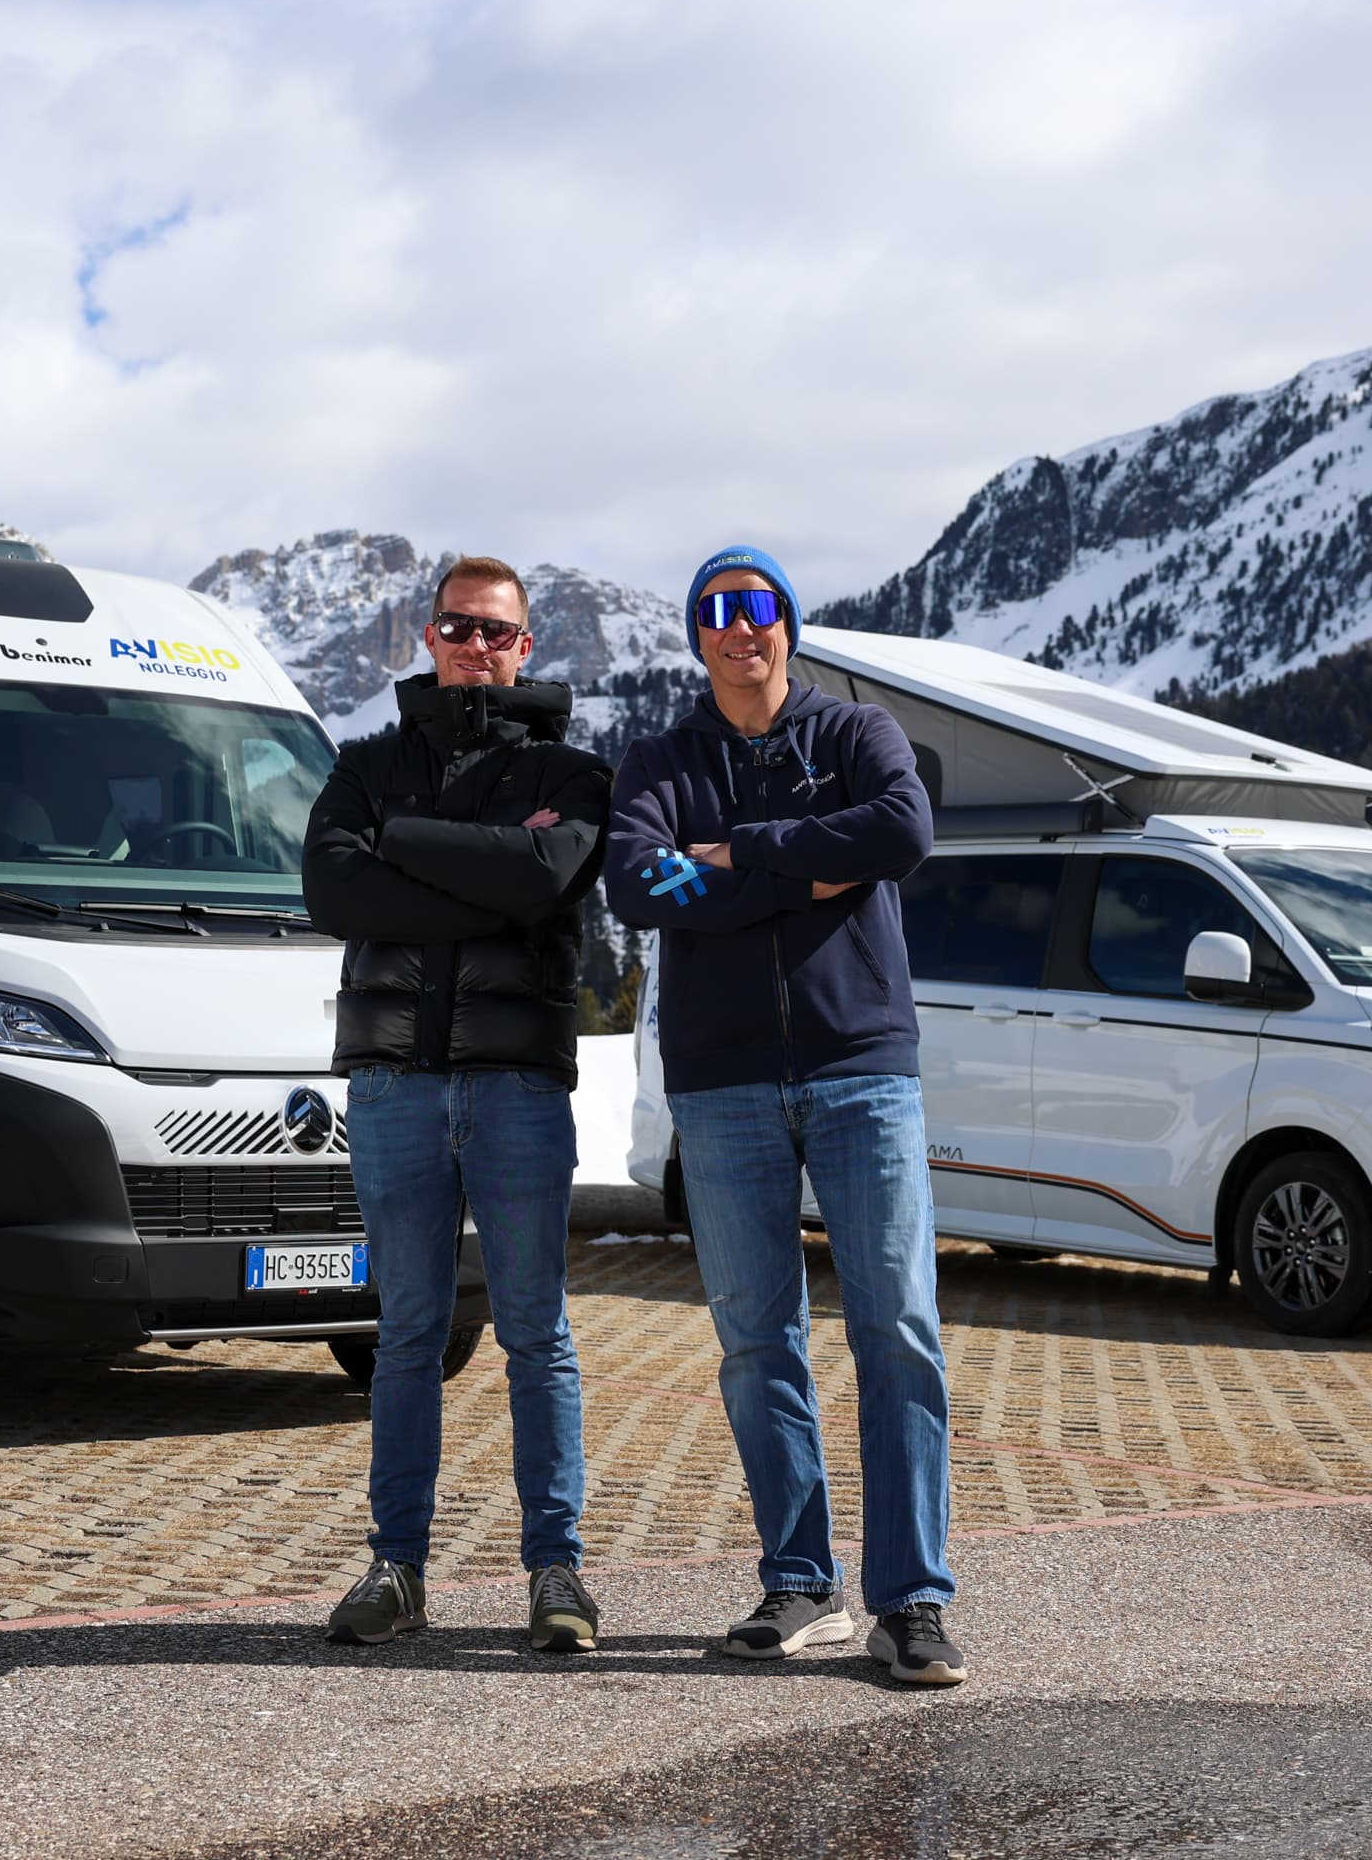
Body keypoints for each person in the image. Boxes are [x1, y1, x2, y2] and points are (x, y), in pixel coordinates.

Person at [603, 545, 964, 1686]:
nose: (738, 627)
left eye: (757, 607)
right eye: (715, 612)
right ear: (698, 637)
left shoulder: (858, 737)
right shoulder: (661, 759)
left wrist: (737, 853)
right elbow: (631, 881)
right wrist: (810, 868)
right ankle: (799, 1582)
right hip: (721, 1082)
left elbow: (900, 835)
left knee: (896, 1330)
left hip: (862, 1069)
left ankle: (911, 1600)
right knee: (759, 1343)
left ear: (788, 627)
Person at [302, 553, 615, 1652]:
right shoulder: (366, 760)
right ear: (427, 637)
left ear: (527, 646)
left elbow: (545, 880)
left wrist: (406, 844)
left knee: (537, 1331)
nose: (476, 647)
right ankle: (397, 1567)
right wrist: (484, 874)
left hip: (518, 1083)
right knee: (407, 1336)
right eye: (457, 627)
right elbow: (331, 888)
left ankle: (556, 1572)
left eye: (497, 632)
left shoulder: (573, 775)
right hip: (392, 1081)